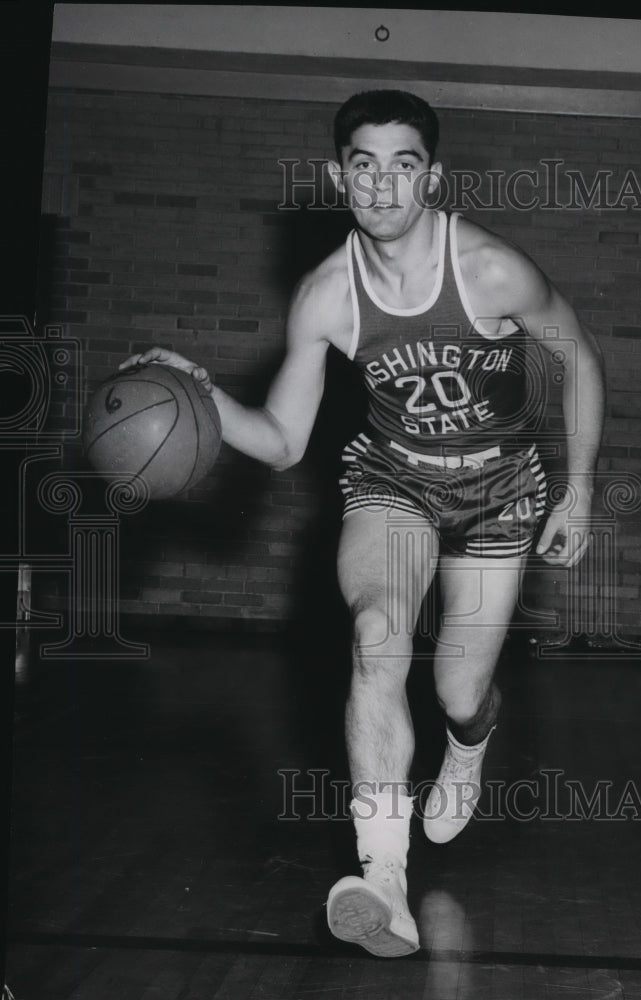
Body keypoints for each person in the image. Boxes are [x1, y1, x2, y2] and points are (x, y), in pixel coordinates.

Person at [120, 90, 605, 958]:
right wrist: (200, 391)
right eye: (365, 165)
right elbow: (280, 442)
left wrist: (578, 492)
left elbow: (579, 360)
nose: (382, 186)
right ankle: (385, 876)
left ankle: (470, 742)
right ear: (341, 174)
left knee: (458, 691)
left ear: (433, 177)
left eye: (404, 165)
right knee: (377, 634)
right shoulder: (325, 297)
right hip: (394, 482)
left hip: (500, 490)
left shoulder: (491, 269)